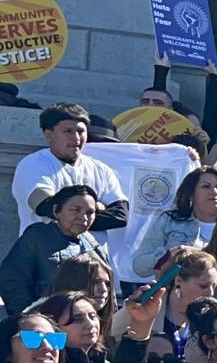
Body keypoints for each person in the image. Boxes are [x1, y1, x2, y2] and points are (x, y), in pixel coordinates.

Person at [14, 103, 128, 237]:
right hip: (47, 253)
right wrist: (95, 208)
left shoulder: (101, 169)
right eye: (67, 131)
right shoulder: (33, 164)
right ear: (49, 134)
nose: (76, 138)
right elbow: (46, 207)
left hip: (93, 256)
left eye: (81, 131)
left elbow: (121, 215)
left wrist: (72, 214)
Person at [1, 184, 110, 312]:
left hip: (86, 325)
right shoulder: (37, 237)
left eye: (90, 212)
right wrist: (28, 320)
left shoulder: (94, 246)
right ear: (56, 211)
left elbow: (109, 292)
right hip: (44, 324)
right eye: (75, 210)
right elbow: (13, 281)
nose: (84, 217)